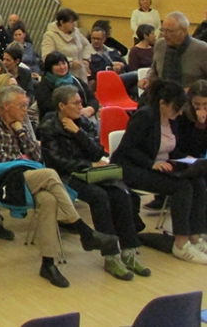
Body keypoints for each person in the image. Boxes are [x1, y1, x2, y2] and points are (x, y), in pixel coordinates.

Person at [0, 86, 117, 287]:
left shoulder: (23, 123)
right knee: (50, 174)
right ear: (6, 106)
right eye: (22, 105)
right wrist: (22, 152)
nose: (26, 110)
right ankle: (83, 230)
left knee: (48, 199)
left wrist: (21, 132)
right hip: (3, 182)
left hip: (29, 177)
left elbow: (36, 155)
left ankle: (48, 264)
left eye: (27, 105)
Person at [39, 85, 150, 280]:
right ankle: (111, 256)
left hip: (92, 172)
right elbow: (55, 161)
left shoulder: (85, 123)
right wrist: (88, 164)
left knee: (120, 193)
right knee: (99, 197)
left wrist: (78, 132)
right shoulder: (48, 128)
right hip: (66, 176)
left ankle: (129, 251)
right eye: (76, 103)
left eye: (81, 102)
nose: (80, 106)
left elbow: (98, 151)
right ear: (61, 106)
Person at [110, 79, 207, 263]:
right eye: (176, 108)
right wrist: (150, 164)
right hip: (133, 168)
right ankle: (181, 243)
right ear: (163, 104)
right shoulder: (144, 117)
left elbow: (171, 148)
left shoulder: (172, 120)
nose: (179, 113)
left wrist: (187, 160)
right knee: (182, 187)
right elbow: (126, 149)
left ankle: (196, 237)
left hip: (159, 164)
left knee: (198, 181)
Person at [144, 11, 207, 89]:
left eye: (169, 31)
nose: (164, 34)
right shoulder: (160, 45)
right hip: (161, 96)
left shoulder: (202, 50)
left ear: (183, 31)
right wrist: (148, 78)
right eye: (163, 30)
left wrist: (192, 90)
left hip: (191, 99)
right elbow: (154, 68)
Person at [36, 52, 99, 121]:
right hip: (56, 122)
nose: (62, 67)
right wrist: (74, 112)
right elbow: (47, 108)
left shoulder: (76, 81)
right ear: (49, 67)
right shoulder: (44, 85)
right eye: (57, 64)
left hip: (83, 118)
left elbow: (92, 99)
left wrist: (89, 109)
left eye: (64, 63)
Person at [41, 8, 91, 81]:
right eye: (71, 22)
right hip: (62, 78)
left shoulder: (76, 32)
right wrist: (69, 62)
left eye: (75, 21)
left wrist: (85, 59)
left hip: (80, 75)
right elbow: (47, 57)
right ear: (62, 22)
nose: (74, 24)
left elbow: (87, 45)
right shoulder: (50, 35)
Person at [177, 80, 207, 159]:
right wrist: (200, 125)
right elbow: (191, 148)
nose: (201, 108)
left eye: (205, 104)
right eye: (197, 104)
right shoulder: (183, 115)